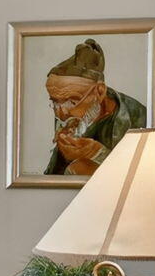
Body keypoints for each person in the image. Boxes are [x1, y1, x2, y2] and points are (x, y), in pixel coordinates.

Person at [43, 38, 146, 176]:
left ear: (100, 91)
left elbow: (143, 175)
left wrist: (97, 153)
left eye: (72, 102)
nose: (61, 113)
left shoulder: (139, 118)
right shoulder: (67, 110)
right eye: (55, 102)